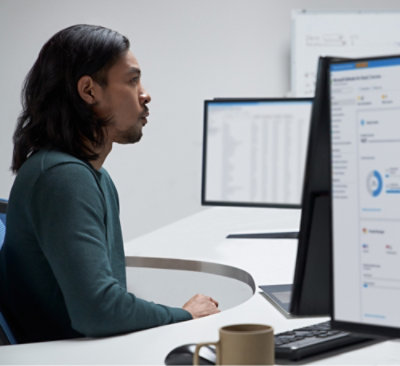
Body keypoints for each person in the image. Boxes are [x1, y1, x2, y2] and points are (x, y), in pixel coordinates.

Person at [0, 24, 219, 344]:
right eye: (132, 80)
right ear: (89, 91)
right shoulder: (63, 178)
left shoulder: (90, 175)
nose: (145, 94)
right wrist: (184, 315)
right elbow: (99, 311)